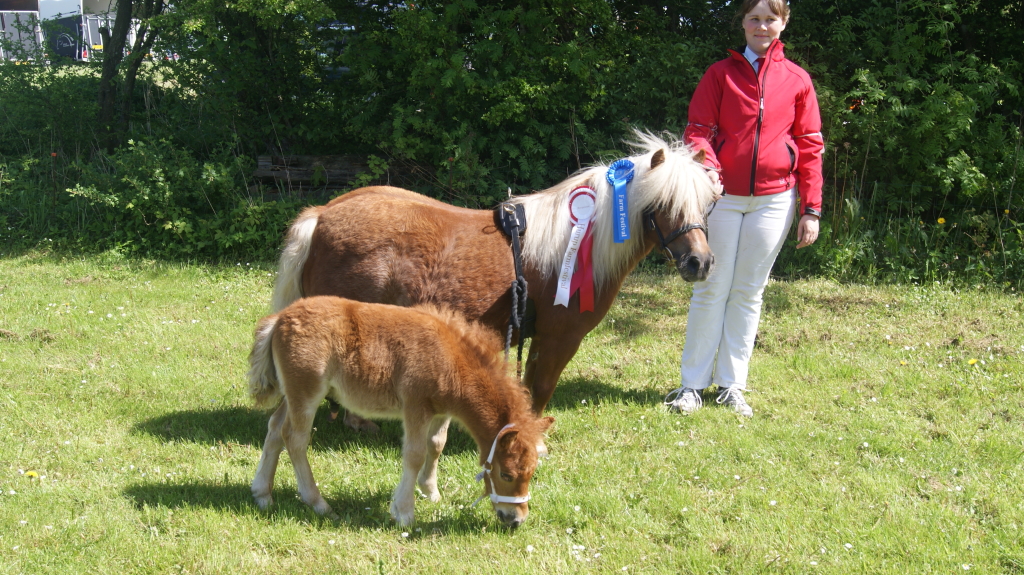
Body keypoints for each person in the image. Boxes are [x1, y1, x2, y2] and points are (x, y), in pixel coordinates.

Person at [664, 0, 823, 417]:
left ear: (783, 23)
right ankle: (691, 387)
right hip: (722, 199)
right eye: (754, 17)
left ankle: (732, 386)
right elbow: (698, 132)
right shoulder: (719, 75)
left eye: (770, 18)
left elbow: (809, 146)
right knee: (710, 288)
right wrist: (710, 168)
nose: (762, 25)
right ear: (743, 24)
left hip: (774, 201)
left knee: (748, 293)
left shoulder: (798, 80)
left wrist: (812, 208)